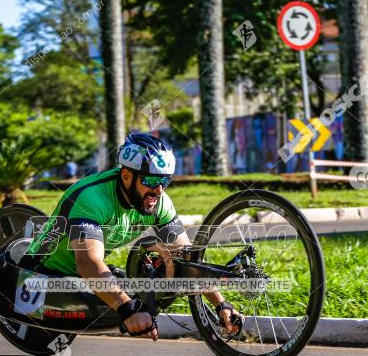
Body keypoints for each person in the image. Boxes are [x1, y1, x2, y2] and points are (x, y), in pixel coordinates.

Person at [22, 133, 242, 340]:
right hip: (41, 273)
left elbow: (188, 260)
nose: (159, 191)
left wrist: (221, 304)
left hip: (84, 279)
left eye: (164, 182)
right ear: (126, 176)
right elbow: (88, 263)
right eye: (150, 181)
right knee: (125, 302)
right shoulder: (92, 198)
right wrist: (128, 308)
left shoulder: (159, 203)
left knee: (165, 273)